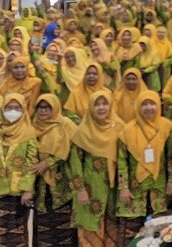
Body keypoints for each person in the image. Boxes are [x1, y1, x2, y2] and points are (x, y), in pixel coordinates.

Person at [0, 93, 40, 246]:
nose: (12, 111)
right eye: (9, 108)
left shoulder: (29, 133)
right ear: (2, 109)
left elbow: (31, 162)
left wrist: (28, 189)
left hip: (19, 191)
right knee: (0, 230)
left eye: (17, 108)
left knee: (17, 232)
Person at [115, 90, 172, 241]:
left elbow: (171, 157)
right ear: (138, 108)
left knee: (160, 234)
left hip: (158, 188)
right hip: (134, 191)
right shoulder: (127, 130)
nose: (149, 108)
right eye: (144, 104)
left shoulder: (166, 127)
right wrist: (124, 187)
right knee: (132, 234)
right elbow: (122, 161)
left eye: (152, 103)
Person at [69, 90, 125, 246]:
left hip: (114, 189)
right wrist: (80, 189)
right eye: (97, 104)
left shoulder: (119, 127)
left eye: (105, 103)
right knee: (89, 232)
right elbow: (75, 163)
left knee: (112, 231)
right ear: (90, 107)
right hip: (90, 189)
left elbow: (125, 158)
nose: (101, 108)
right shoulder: (82, 131)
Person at [32, 93, 78, 246]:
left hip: (63, 181)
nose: (43, 111)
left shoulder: (65, 124)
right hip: (40, 184)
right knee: (44, 225)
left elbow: (73, 148)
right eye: (40, 107)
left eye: (47, 107)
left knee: (63, 225)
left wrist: (49, 162)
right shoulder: (33, 125)